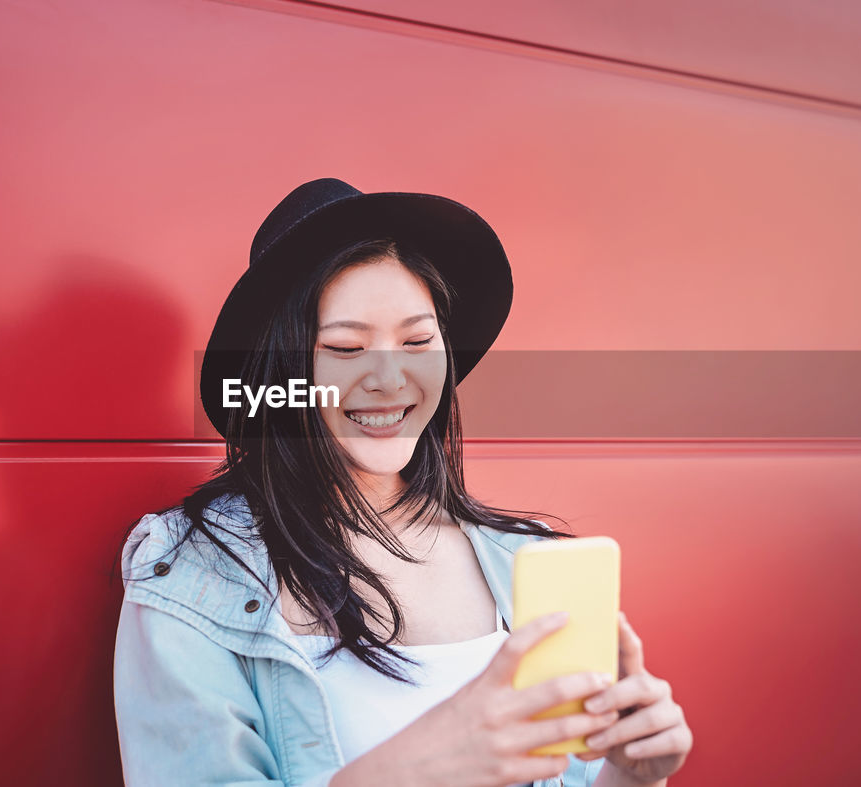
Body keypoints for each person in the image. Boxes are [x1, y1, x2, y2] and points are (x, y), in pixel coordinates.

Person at [112, 178, 692, 786]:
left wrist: (629, 776)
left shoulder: (532, 559)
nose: (390, 379)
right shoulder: (192, 569)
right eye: (345, 347)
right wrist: (421, 767)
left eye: (417, 340)